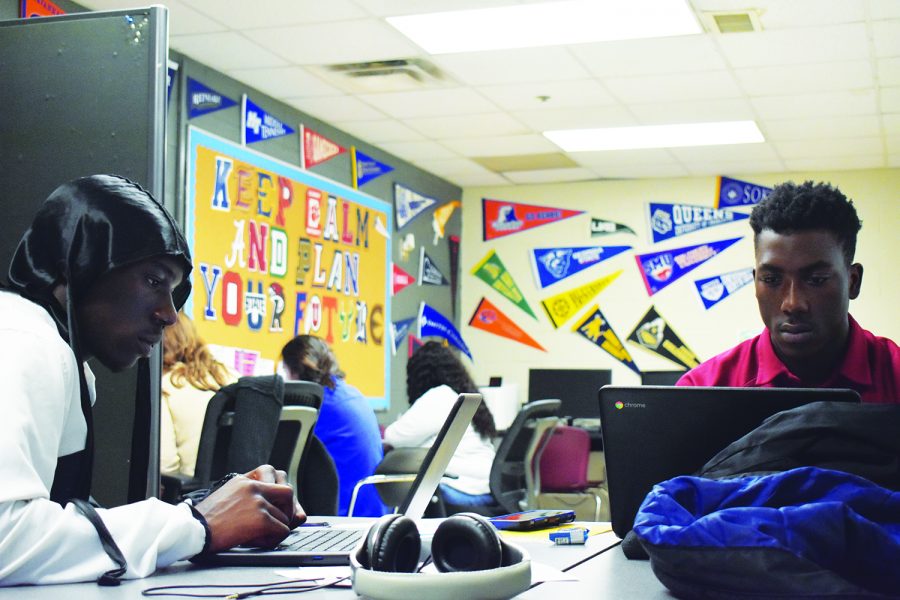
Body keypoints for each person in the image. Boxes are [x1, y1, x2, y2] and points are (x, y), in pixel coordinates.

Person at [0, 175, 304, 586]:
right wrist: (196, 524)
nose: (170, 314)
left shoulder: (55, 353)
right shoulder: (24, 340)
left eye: (173, 292)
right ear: (80, 265)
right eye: (154, 281)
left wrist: (212, 506)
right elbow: (6, 540)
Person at [678, 181, 899, 403]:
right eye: (771, 279)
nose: (792, 304)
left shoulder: (895, 374)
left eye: (816, 280)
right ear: (756, 281)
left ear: (853, 281)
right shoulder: (700, 391)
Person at [281, 335, 385, 517]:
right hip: (374, 512)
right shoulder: (351, 393)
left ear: (294, 371)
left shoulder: (317, 404)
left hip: (343, 515)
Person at [383, 341, 498, 506]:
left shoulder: (439, 396)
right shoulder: (461, 396)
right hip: (488, 489)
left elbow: (393, 437)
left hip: (461, 490)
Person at [161, 311, 239, 479]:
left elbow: (165, 465)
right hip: (240, 489)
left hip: (194, 496)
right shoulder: (231, 376)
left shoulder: (164, 386)